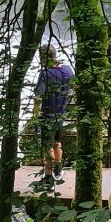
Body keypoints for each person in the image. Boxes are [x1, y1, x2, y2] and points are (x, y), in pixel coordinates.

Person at [33, 43, 74, 184]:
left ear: (43, 57)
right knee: (57, 143)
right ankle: (58, 170)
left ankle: (48, 176)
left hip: (47, 114)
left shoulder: (45, 74)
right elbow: (72, 90)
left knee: (47, 146)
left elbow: (38, 96)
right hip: (61, 113)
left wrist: (35, 116)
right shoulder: (68, 71)